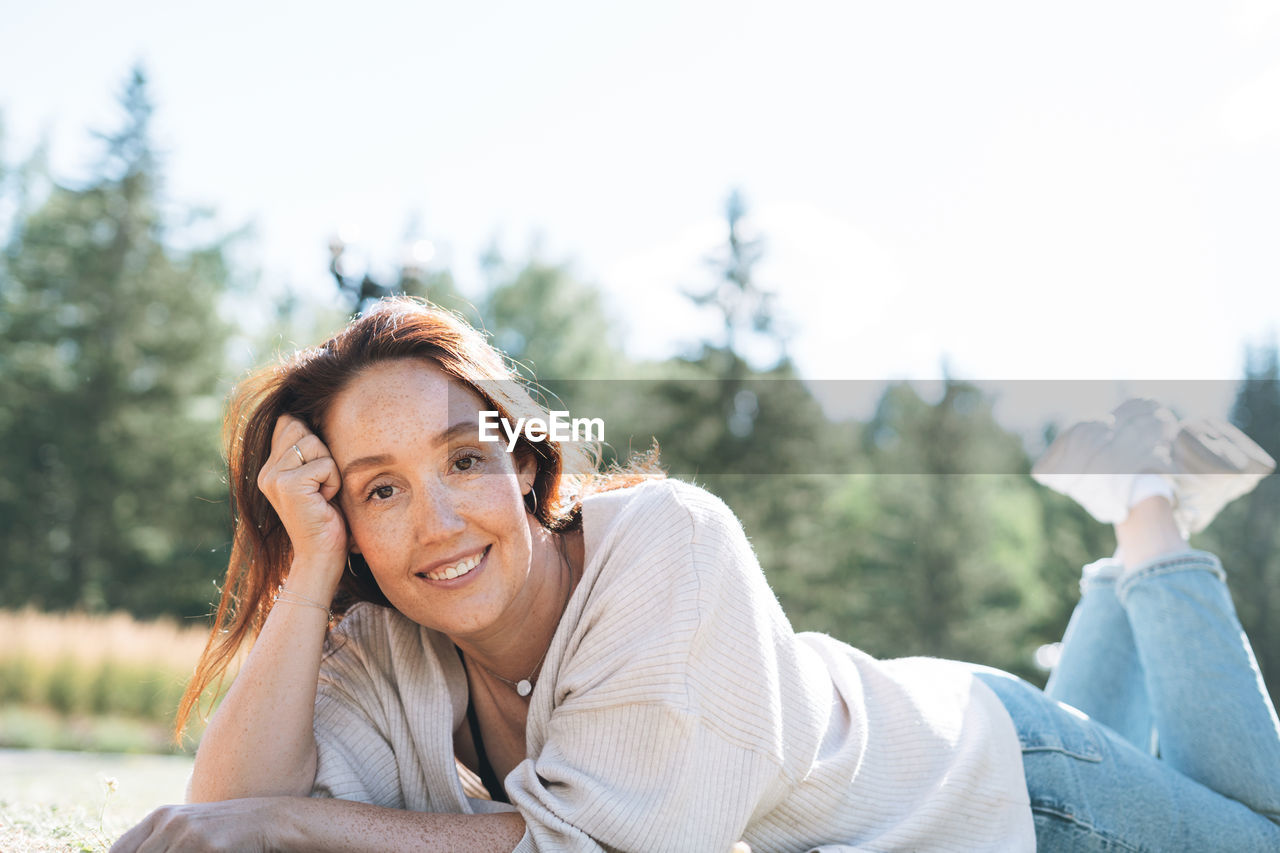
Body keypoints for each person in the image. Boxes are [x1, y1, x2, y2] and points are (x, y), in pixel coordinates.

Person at [111, 298, 1280, 852]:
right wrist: (309, 569)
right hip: (919, 718)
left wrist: (294, 827)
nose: (434, 521)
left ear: (524, 462)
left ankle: (1143, 514)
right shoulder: (377, 645)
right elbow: (214, 824)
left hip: (996, 784)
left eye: (463, 459)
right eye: (374, 489)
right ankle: (1125, 524)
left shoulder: (669, 544)